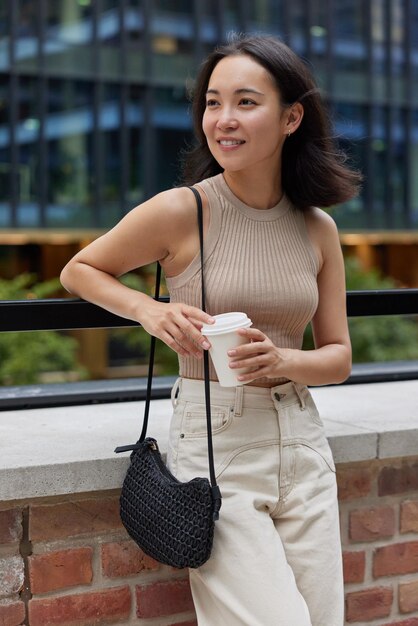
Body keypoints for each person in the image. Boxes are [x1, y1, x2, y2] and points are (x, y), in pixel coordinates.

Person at [61, 34, 361, 626]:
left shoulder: (318, 227)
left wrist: (285, 362)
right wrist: (150, 311)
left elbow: (339, 356)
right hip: (216, 439)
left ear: (291, 117)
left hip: (302, 439)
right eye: (212, 103)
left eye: (246, 103)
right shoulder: (182, 210)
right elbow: (81, 270)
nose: (222, 120)